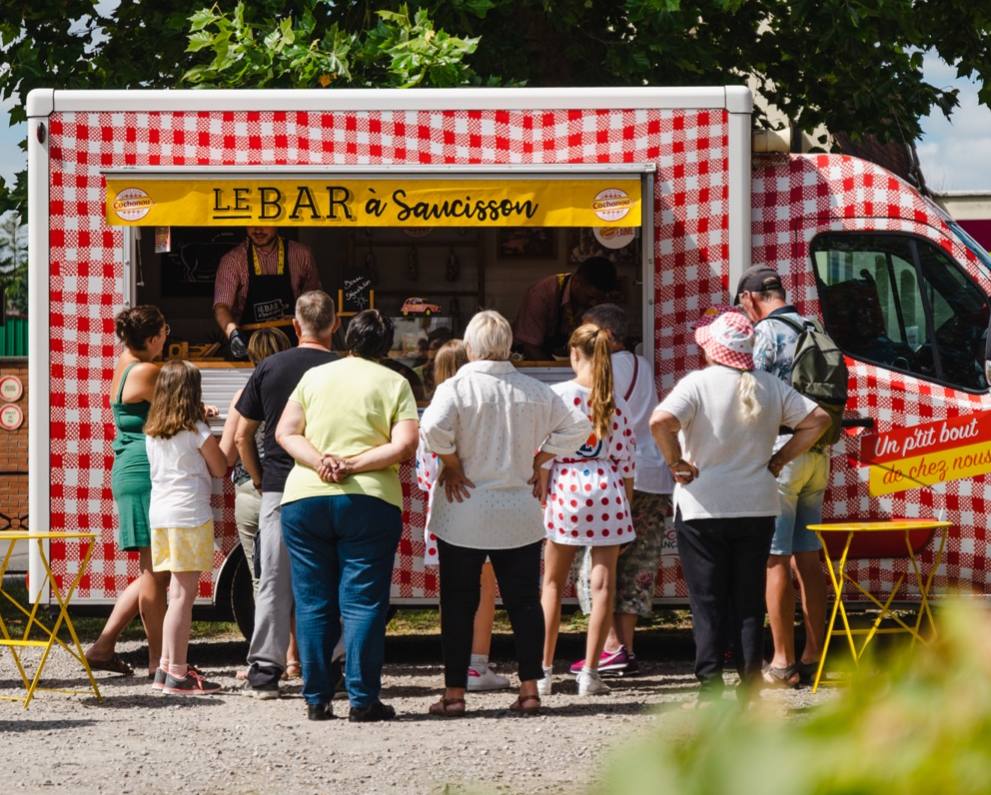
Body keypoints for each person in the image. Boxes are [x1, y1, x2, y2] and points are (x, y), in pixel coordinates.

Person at [649, 308, 829, 706]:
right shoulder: (769, 385)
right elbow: (818, 420)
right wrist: (780, 460)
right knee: (748, 600)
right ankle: (749, 682)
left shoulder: (696, 384)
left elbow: (660, 421)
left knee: (708, 600)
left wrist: (676, 462)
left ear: (712, 349)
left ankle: (710, 686)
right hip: (757, 505)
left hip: (703, 508)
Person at [419, 310, 590, 718]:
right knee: (524, 603)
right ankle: (530, 690)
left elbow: (431, 431)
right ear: (509, 345)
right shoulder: (534, 389)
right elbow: (579, 427)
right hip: (520, 511)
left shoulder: (456, 387)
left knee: (458, 604)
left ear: (471, 347)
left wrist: (454, 465)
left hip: (463, 511)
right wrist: (540, 459)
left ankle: (455, 694)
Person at [277, 308, 419, 722]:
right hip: (370, 501)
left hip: (304, 499)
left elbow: (286, 432)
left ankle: (317, 699)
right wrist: (353, 466)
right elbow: (406, 445)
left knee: (312, 601)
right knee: (362, 603)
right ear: (386, 346)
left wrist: (323, 461)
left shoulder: (314, 377)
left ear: (347, 339)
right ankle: (362, 700)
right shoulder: (396, 383)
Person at [235, 291, 340, 700]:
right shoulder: (344, 368)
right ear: (335, 325)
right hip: (332, 484)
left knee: (273, 583)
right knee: (328, 582)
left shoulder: (270, 366)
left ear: (296, 326)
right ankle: (330, 668)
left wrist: (260, 480)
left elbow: (243, 435)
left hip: (280, 486)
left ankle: (264, 674)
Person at [735, 266, 831, 687]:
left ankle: (781, 661)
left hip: (782, 455)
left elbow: (751, 395)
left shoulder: (767, 334)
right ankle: (815, 654)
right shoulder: (812, 325)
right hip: (818, 453)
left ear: (751, 299)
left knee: (774, 558)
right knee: (807, 557)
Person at [569, 304, 675, 677]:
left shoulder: (603, 369)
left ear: (608, 337)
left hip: (618, 477)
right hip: (654, 475)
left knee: (600, 565)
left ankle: (610, 647)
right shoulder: (642, 364)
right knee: (639, 564)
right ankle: (624, 648)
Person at [538, 323, 636, 697]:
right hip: (608, 491)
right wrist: (626, 508)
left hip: (566, 487)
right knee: (603, 585)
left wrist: (542, 493)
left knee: (551, 583)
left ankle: (543, 671)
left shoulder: (557, 395)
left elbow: (543, 456)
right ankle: (590, 673)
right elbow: (627, 463)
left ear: (573, 354)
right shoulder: (616, 400)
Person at [415, 339, 509, 691]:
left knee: (451, 591)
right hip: (482, 508)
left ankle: (454, 664)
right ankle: (477, 666)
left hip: (441, 511)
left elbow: (426, 477)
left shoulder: (431, 416)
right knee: (484, 587)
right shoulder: (483, 413)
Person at [86, 306, 170, 678]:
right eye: (165, 332)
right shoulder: (148, 370)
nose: (167, 336)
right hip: (143, 471)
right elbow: (180, 412)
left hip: (129, 466)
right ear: (152, 340)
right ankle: (158, 662)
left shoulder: (125, 360)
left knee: (152, 572)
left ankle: (103, 647)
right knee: (156, 574)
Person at [145, 361, 228, 694]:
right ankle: (179, 673)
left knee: (172, 595)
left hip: (161, 516)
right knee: (182, 597)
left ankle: (164, 668)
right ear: (192, 391)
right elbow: (220, 466)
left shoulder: (152, 430)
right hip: (190, 516)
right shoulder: (197, 429)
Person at [218, 327, 292, 601]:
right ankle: (294, 644)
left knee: (260, 579)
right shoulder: (296, 393)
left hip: (251, 487)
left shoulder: (243, 395)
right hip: (289, 485)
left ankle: (266, 643)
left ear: (252, 357)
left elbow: (227, 454)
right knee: (295, 575)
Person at [213, 227, 322, 359]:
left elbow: (315, 301)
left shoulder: (302, 254)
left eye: (265, 223)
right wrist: (233, 333)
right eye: (252, 223)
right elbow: (221, 306)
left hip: (293, 347)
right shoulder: (232, 260)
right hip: (251, 349)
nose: (258, 230)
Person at [513, 256, 619, 361]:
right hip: (526, 356)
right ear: (576, 281)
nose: (594, 303)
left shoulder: (599, 299)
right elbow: (531, 349)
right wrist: (556, 375)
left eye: (599, 299)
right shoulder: (541, 294)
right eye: (590, 297)